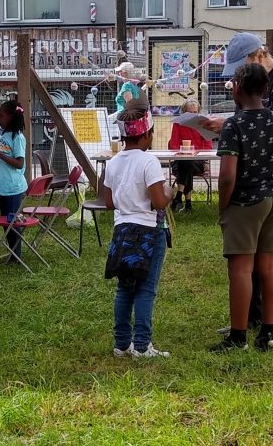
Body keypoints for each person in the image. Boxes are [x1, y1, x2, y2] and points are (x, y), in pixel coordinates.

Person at [204, 32, 273, 334]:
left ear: (259, 55)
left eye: (241, 67)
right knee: (256, 255)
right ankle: (254, 318)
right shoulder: (253, 85)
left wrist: (229, 124)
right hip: (257, 178)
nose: (236, 78)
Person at [103, 107, 174, 358]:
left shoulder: (112, 163)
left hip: (121, 231)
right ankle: (143, 346)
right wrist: (170, 191)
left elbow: (108, 202)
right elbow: (158, 202)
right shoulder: (148, 161)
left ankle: (122, 345)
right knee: (145, 289)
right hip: (148, 233)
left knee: (124, 288)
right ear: (145, 134)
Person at [0, 100, 27, 263]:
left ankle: (16, 255)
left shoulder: (17, 137)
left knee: (12, 222)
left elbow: (19, 163)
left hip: (13, 187)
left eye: (2, 116)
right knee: (6, 221)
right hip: (4, 186)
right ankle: (12, 252)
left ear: (11, 117)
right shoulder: (5, 135)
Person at [168, 98, 213, 213]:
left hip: (198, 161)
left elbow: (208, 146)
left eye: (195, 112)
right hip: (181, 161)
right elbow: (173, 145)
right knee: (186, 162)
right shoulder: (178, 124)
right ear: (184, 113)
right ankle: (188, 205)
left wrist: (205, 160)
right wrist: (183, 152)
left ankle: (179, 197)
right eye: (190, 112)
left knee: (188, 163)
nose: (193, 115)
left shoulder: (203, 124)